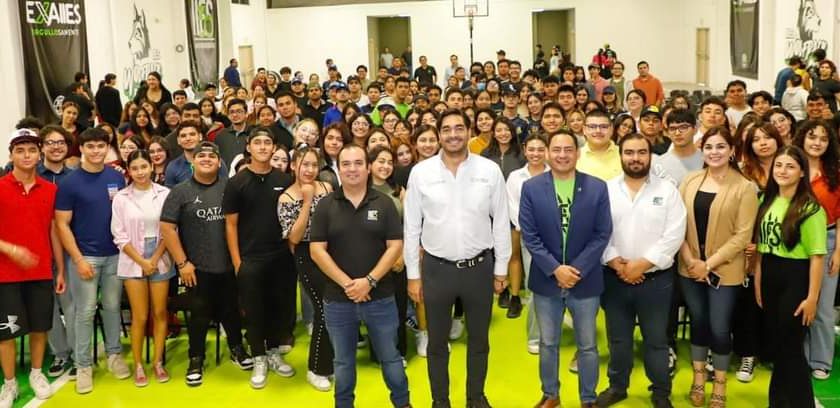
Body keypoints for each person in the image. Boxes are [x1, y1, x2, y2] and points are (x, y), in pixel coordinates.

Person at [404, 109, 511, 408]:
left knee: (479, 341)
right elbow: (411, 227)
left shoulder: (489, 171)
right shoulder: (421, 173)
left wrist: (500, 267)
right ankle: (441, 401)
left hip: (479, 268)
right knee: (437, 343)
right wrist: (414, 274)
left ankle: (476, 397)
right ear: (438, 134)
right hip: (437, 270)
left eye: (459, 128)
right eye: (446, 129)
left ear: (469, 131)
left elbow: (501, 222)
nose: (453, 134)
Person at [310, 144, 410, 408]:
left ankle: (402, 403)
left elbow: (395, 246)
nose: (352, 169)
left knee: (391, 357)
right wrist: (348, 284)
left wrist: (370, 281)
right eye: (346, 164)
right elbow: (317, 251)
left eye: (358, 163)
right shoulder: (325, 205)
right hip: (338, 300)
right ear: (338, 168)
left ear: (368, 168)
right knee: (343, 362)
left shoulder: (386, 203)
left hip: (380, 297)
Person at [519, 129, 612, 408]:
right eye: (556, 149)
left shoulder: (596, 187)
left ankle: (588, 398)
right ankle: (551, 395)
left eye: (568, 149)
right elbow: (530, 235)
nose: (562, 155)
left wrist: (575, 269)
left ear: (577, 153)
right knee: (548, 344)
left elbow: (602, 233)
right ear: (548, 153)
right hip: (547, 281)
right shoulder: (532, 188)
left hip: (585, 281)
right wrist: (555, 269)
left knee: (587, 346)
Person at [595, 133, 687, 408]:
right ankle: (617, 386)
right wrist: (614, 261)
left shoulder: (667, 190)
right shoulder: (606, 190)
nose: (635, 158)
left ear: (650, 156)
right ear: (621, 156)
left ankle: (660, 392)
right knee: (618, 339)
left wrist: (642, 264)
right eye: (629, 153)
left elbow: (674, 234)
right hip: (614, 278)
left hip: (656, 280)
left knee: (657, 340)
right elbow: (597, 232)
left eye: (641, 153)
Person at [678, 127, 758, 407]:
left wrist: (707, 264)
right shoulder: (689, 180)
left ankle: (720, 383)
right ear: (703, 150)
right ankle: (698, 378)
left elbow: (743, 235)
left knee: (720, 327)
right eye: (709, 146)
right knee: (699, 322)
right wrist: (691, 262)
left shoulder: (745, 187)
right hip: (689, 268)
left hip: (725, 272)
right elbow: (677, 226)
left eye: (721, 146)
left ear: (732, 150)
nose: (714, 152)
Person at [55, 128, 129, 394]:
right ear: (82, 149)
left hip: (114, 255)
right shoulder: (70, 183)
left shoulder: (116, 178)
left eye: (101, 146)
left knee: (111, 307)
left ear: (107, 148)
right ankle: (83, 364)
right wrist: (77, 259)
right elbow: (62, 225)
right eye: (91, 146)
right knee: (83, 312)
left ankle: (113, 355)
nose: (96, 151)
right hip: (85, 256)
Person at [223, 128, 296, 389]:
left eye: (267, 142)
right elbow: (230, 225)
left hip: (280, 257)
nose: (263, 147)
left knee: (278, 308)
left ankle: (274, 351)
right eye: (258, 142)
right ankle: (258, 357)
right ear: (249, 147)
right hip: (250, 258)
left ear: (274, 147)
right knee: (254, 311)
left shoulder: (285, 179)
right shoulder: (237, 183)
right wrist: (237, 262)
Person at [755, 145, 826, 408]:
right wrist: (759, 284)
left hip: (796, 277)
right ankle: (779, 401)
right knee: (778, 347)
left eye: (790, 166)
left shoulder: (810, 209)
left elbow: (817, 257)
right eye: (779, 165)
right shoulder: (766, 201)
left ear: (801, 173)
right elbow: (762, 250)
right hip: (771, 274)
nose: (783, 171)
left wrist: (812, 298)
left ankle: (802, 403)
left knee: (791, 348)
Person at [0, 129, 63, 407]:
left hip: (40, 273)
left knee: (40, 328)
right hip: (6, 275)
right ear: (11, 155)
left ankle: (37, 374)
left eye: (31, 150)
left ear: (40, 154)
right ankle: (10, 383)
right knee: (7, 334)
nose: (26, 156)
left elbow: (54, 231)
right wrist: (10, 248)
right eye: (20, 150)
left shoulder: (50, 189)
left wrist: (60, 268)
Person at [110, 150, 173, 387]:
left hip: (161, 256)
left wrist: (155, 258)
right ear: (129, 170)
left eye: (144, 167)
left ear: (152, 167)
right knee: (140, 316)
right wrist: (142, 261)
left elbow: (170, 229)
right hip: (131, 259)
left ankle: (158, 362)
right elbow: (119, 235)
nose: (140, 172)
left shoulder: (165, 194)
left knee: (159, 313)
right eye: (135, 168)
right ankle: (138, 364)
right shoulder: (121, 198)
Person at [277, 146, 334, 391]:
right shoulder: (286, 198)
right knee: (323, 309)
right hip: (306, 254)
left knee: (335, 308)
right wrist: (307, 199)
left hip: (332, 251)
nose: (309, 170)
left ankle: (330, 363)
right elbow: (295, 238)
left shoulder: (328, 188)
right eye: (304, 165)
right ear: (293, 166)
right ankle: (316, 369)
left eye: (313, 164)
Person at [792, 120, 840, 381]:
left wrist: (838, 253)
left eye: (823, 138)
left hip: (828, 241)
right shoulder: (791, 168)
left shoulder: (835, 173)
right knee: (796, 302)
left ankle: (820, 359)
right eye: (812, 137)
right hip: (794, 242)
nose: (817, 142)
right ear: (802, 138)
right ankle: (796, 355)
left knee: (822, 306)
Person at [506, 134, 550, 353]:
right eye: (531, 149)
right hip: (530, 237)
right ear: (525, 150)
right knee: (534, 286)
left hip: (555, 237)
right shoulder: (516, 177)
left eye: (540, 149)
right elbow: (513, 207)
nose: (535, 154)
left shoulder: (555, 173)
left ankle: (552, 329)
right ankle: (535, 336)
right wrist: (529, 229)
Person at [576, 110, 621, 181]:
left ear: (611, 129)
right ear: (584, 130)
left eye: (604, 126)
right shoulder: (575, 157)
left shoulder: (624, 154)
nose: (598, 131)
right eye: (592, 126)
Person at [215, 99, 252, 167]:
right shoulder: (220, 135)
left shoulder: (254, 133)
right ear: (228, 115)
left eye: (239, 111)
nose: (235, 115)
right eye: (231, 112)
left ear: (246, 114)